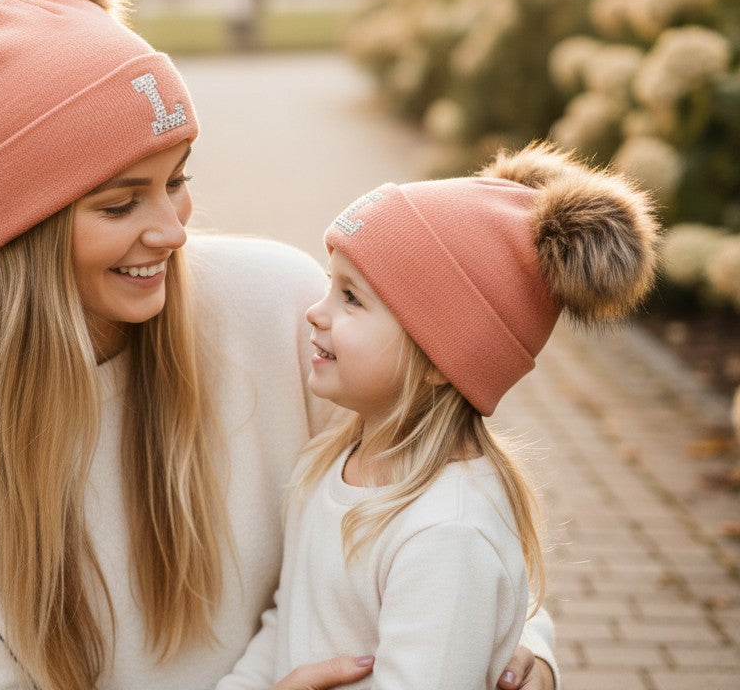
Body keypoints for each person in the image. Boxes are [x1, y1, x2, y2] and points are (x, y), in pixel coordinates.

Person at [0, 0, 561, 690]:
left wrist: (528, 643)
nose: (173, 232)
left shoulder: (278, 307)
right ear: (24, 228)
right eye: (120, 206)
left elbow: (435, 511)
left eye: (177, 181)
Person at [218, 145, 660, 690]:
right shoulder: (327, 461)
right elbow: (286, 619)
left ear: (439, 359)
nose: (316, 310)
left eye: (351, 298)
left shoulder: (448, 531)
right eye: (332, 285)